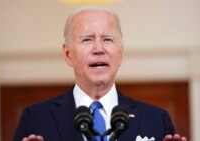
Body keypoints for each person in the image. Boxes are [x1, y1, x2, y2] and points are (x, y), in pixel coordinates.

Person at [13, 5, 187, 141]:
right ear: (68, 54)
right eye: (87, 39)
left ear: (120, 54)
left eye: (107, 39)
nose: (99, 49)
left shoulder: (156, 119)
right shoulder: (35, 119)